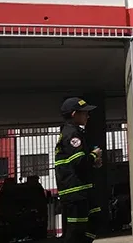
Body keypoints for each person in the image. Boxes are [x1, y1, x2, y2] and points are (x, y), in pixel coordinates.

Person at [55, 97, 103, 243]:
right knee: (76, 230)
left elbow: (79, 162)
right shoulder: (71, 134)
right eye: (84, 113)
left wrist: (93, 161)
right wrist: (94, 156)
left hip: (83, 189)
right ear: (74, 114)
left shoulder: (75, 132)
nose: (88, 116)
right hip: (75, 192)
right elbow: (80, 162)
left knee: (95, 218)